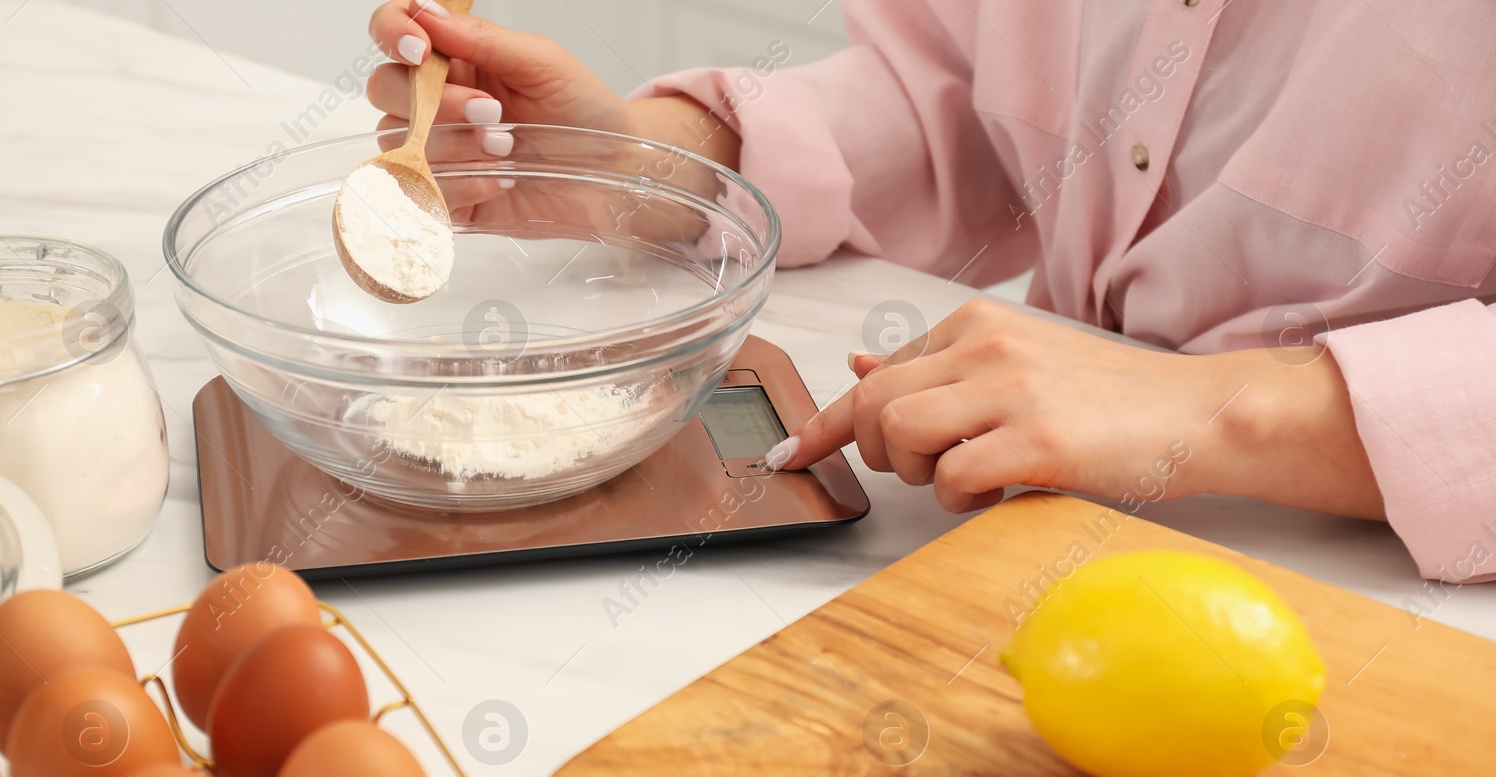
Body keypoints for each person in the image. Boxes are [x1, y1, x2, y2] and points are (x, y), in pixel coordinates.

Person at [365, 0, 1496, 584]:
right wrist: (653, 170)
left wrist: (1215, 409)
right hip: (1030, 522)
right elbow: (961, 95)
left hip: (1391, 588)